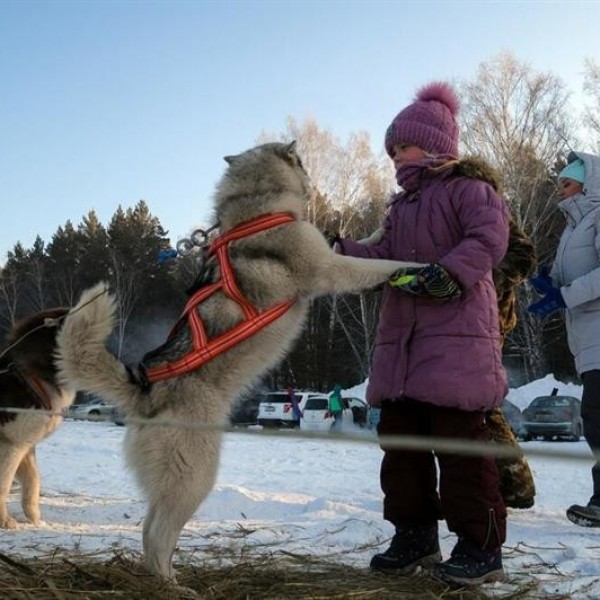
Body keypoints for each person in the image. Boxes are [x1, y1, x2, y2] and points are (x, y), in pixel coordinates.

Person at [335, 81, 509, 586]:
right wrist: (337, 252)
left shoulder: (469, 190)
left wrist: (448, 272)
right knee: (402, 449)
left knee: (461, 451)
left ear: (432, 143)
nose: (394, 157)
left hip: (456, 347)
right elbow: (379, 258)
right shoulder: (400, 209)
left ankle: (481, 547)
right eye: (391, 151)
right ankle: (414, 537)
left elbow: (489, 238)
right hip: (402, 352)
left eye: (401, 147)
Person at [528, 152, 600, 526]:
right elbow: (566, 276)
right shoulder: (572, 228)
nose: (559, 188)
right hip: (587, 339)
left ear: (587, 184)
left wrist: (565, 295)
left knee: (597, 416)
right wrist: (548, 285)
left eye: (566, 182)